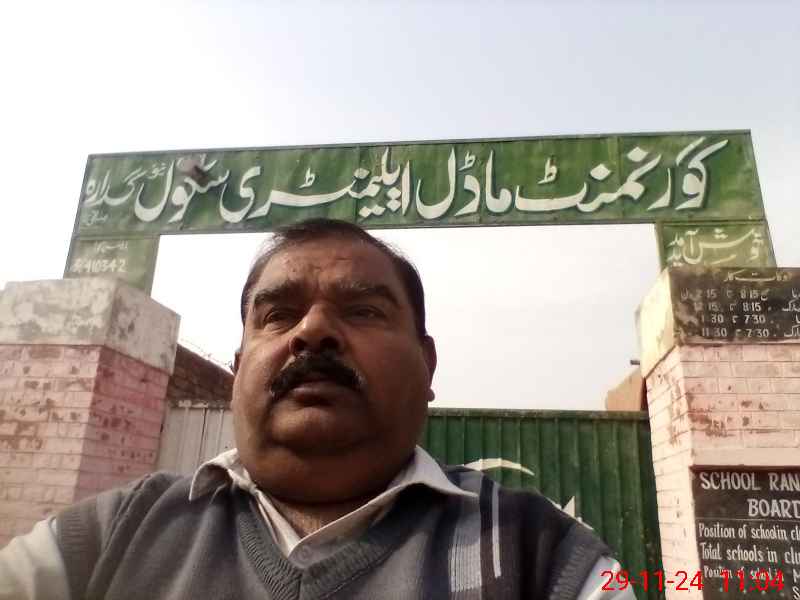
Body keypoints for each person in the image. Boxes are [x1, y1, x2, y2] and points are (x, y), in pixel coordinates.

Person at [0, 218, 634, 599]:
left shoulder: (544, 559)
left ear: (428, 365)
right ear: (237, 369)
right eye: (278, 315)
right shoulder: (109, 537)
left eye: (364, 311)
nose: (313, 332)